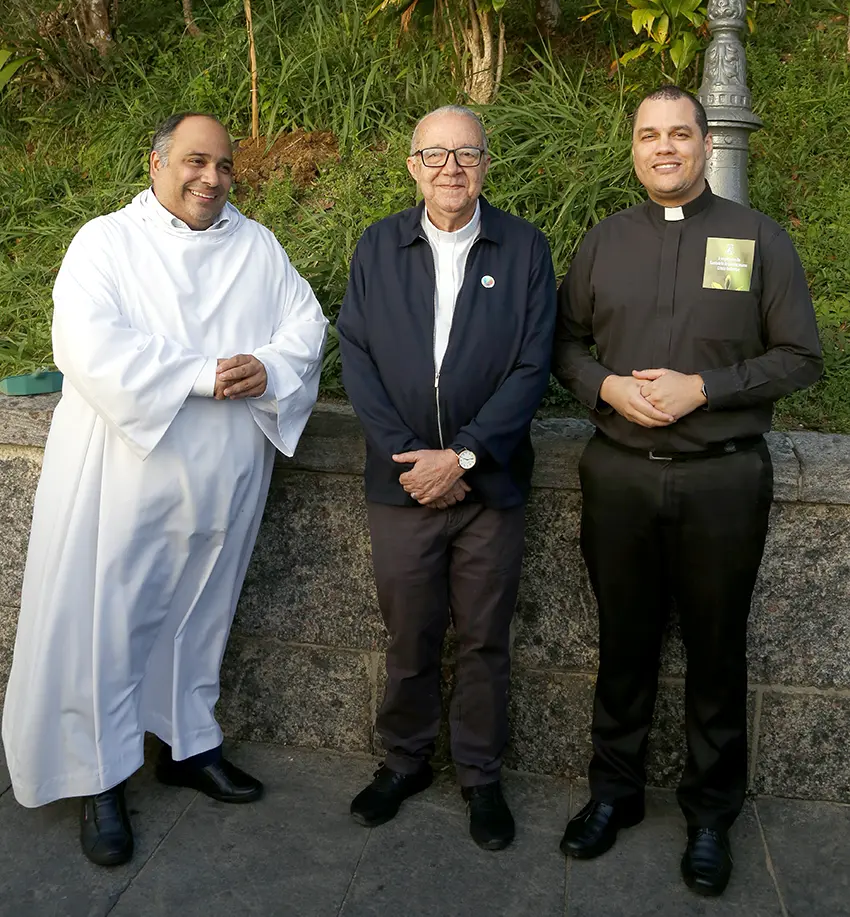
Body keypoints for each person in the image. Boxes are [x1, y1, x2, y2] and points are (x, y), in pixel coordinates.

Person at [1, 113, 328, 866]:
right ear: (156, 164)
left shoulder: (257, 246)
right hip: (126, 472)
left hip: (227, 473)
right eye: (194, 161)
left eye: (224, 165)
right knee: (108, 619)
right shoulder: (106, 242)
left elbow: (305, 327)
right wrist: (200, 373)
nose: (211, 178)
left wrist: (272, 367)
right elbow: (85, 343)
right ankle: (99, 775)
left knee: (201, 611)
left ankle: (188, 743)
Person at [552, 85, 822, 896]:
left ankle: (711, 814)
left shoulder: (758, 238)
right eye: (649, 135)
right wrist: (606, 386)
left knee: (716, 649)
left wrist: (704, 387)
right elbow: (564, 345)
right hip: (621, 475)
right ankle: (614, 793)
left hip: (722, 480)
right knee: (623, 643)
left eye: (679, 133)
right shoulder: (603, 242)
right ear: (633, 149)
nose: (663, 147)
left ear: (707, 144)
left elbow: (800, 357)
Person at [337, 105, 556, 851]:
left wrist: (462, 457)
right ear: (413, 166)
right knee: (410, 632)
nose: (451, 168)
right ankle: (403, 761)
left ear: (486, 165)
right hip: (401, 484)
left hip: (489, 488)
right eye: (435, 154)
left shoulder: (524, 248)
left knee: (485, 638)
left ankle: (480, 775)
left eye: (466, 153)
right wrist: (413, 459)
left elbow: (532, 366)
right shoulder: (378, 245)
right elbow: (356, 358)